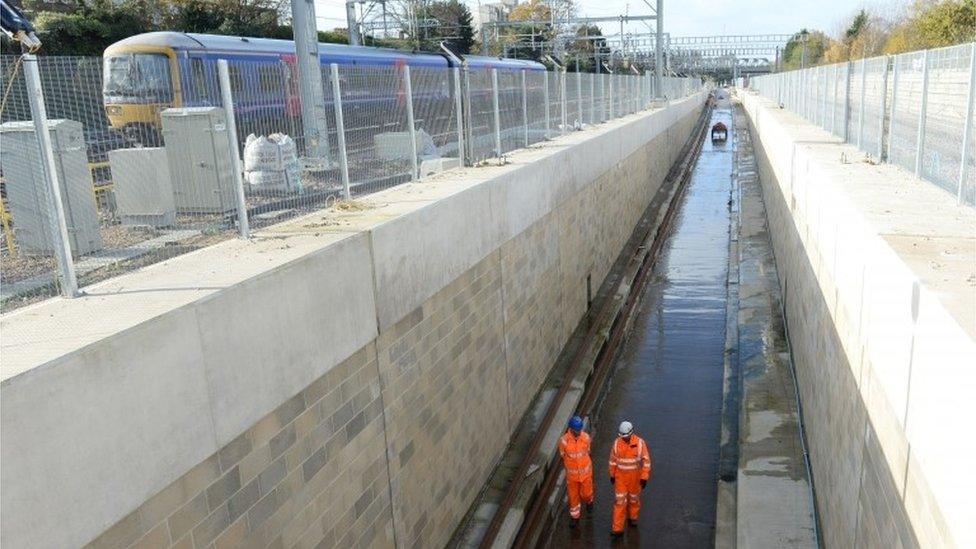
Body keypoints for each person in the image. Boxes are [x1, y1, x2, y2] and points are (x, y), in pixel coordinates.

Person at [608, 420, 652, 537]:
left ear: (631, 433)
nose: (624, 438)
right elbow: (612, 461)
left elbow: (646, 461)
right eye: (623, 436)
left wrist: (644, 477)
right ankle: (617, 529)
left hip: (635, 478)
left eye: (626, 436)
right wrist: (612, 474)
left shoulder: (640, 444)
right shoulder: (617, 443)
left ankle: (633, 517)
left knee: (634, 499)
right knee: (619, 502)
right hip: (620, 478)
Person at [558, 415, 594, 528]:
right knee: (573, 498)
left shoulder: (586, 438)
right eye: (577, 430)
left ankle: (589, 501)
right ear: (571, 429)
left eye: (580, 430)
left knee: (587, 494)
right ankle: (575, 518)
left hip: (585, 474)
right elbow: (563, 455)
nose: (579, 432)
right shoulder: (564, 441)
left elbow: (588, 451)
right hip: (572, 477)